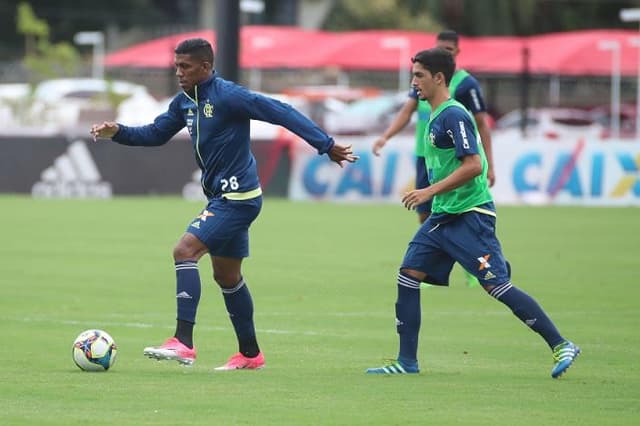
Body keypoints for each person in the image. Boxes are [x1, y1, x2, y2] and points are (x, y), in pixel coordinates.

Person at [90, 38, 358, 370]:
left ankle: (183, 342)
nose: (178, 72)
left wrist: (325, 144)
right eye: (176, 66)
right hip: (223, 197)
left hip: (238, 197)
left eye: (185, 66)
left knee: (184, 251)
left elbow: (281, 112)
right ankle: (250, 354)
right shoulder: (184, 102)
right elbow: (156, 133)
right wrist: (118, 131)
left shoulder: (230, 96)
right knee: (227, 277)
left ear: (205, 67)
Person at [366, 48, 579, 378]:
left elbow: (474, 165)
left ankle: (561, 344)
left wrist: (428, 190)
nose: (414, 82)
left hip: (470, 215)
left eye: (419, 75)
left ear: (439, 78)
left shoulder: (454, 114)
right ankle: (407, 362)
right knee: (408, 275)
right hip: (443, 217)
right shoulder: (435, 116)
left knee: (496, 286)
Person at [373, 30, 493, 288]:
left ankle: (475, 265)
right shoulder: (422, 79)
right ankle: (426, 266)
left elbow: (481, 124)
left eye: (449, 49)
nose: (444, 52)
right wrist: (386, 137)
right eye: (441, 48)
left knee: (455, 213)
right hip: (426, 156)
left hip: (454, 159)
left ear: (456, 53)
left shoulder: (463, 85)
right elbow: (407, 110)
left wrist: (489, 164)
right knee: (424, 213)